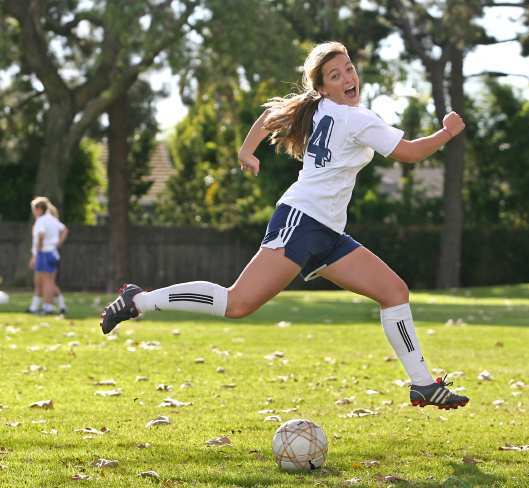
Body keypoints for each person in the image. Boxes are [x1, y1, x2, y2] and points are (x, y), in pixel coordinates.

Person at [100, 41, 468, 410]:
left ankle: (422, 384)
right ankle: (140, 300)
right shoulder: (356, 118)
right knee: (237, 302)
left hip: (328, 233)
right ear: (323, 88)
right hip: (302, 220)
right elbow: (410, 152)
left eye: (349, 69)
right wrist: (447, 132)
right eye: (335, 75)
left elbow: (268, 118)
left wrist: (247, 150)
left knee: (393, 291)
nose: (348, 78)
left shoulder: (322, 107)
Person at [27, 197, 68, 314]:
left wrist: (37, 252)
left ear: (39, 209)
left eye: (34, 209)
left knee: (46, 282)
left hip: (44, 253)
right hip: (53, 253)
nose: (33, 212)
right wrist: (58, 243)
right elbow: (65, 230)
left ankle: (47, 307)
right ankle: (60, 305)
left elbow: (41, 235)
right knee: (46, 281)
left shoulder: (41, 220)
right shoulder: (52, 219)